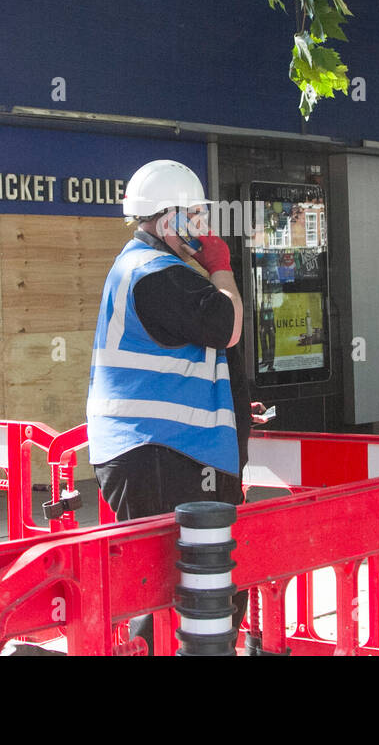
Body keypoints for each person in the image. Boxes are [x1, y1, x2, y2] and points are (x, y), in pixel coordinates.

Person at [87, 160, 251, 652]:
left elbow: (181, 356)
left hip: (159, 450)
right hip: (165, 451)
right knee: (192, 590)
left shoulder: (142, 267)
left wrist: (224, 394)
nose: (202, 230)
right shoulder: (159, 274)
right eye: (194, 218)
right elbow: (229, 327)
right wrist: (220, 265)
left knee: (175, 588)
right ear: (166, 222)